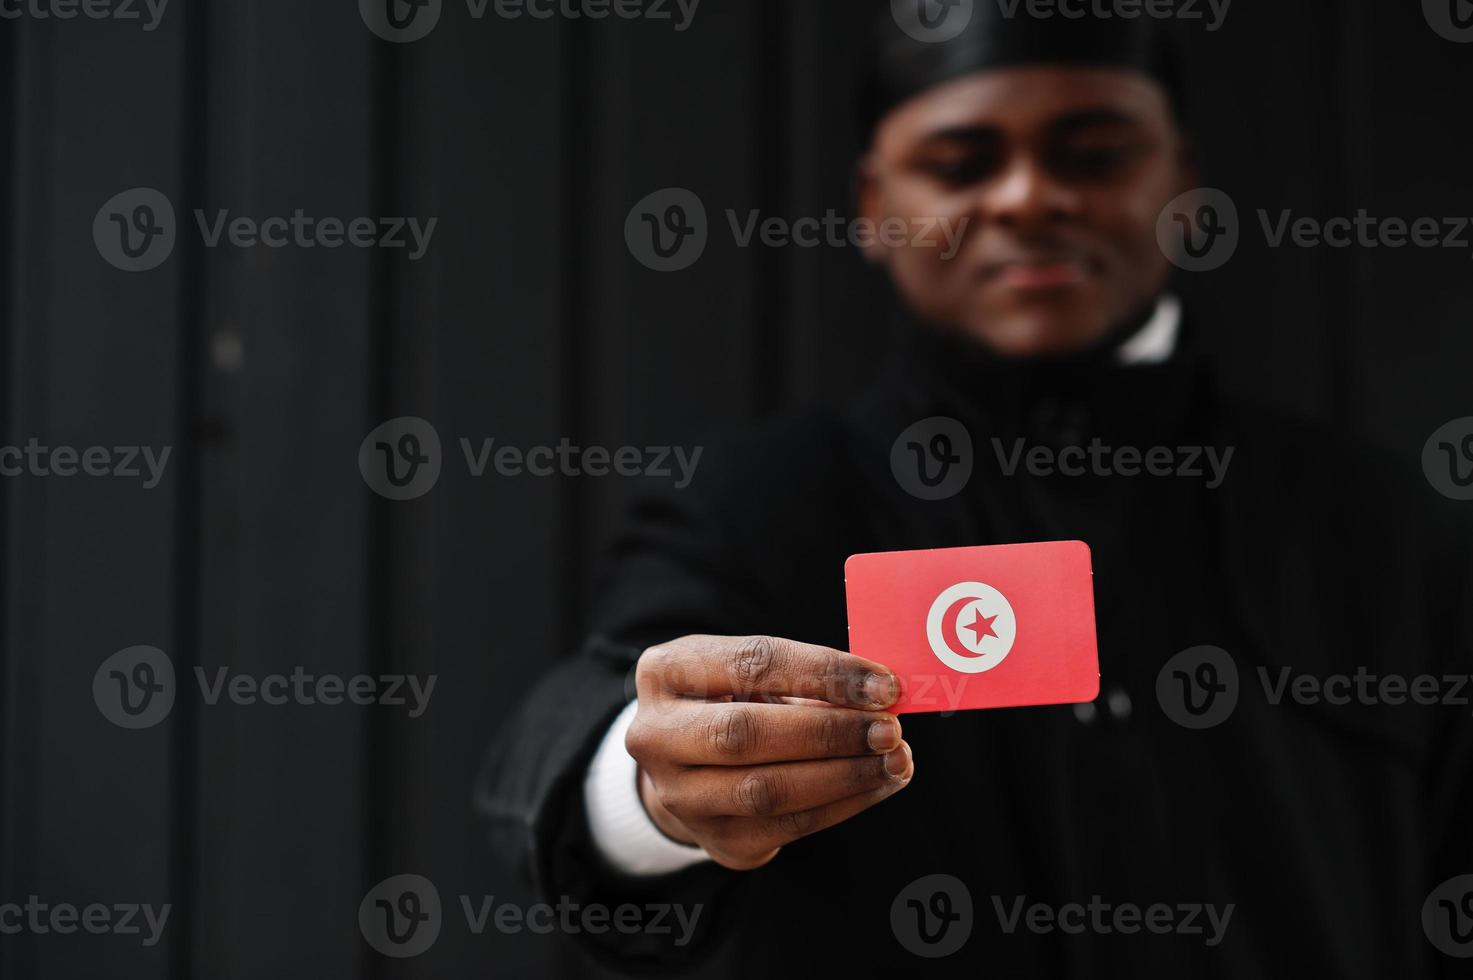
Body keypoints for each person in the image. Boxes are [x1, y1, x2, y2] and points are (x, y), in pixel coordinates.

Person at [477, 5, 1473, 975]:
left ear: (1185, 186)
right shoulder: (761, 503)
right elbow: (586, 717)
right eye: (960, 164)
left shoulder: (1371, 519)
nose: (1028, 197)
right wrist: (652, 780)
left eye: (1095, 154)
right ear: (873, 207)